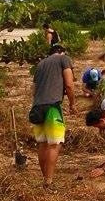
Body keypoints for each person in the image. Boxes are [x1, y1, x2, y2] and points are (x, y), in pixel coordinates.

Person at [31, 44, 76, 190]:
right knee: (54, 144)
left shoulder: (40, 65)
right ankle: (49, 183)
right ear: (62, 52)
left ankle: (45, 180)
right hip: (52, 107)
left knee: (43, 143)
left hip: (37, 108)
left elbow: (34, 90)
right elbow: (69, 84)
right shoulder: (64, 59)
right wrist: (72, 104)